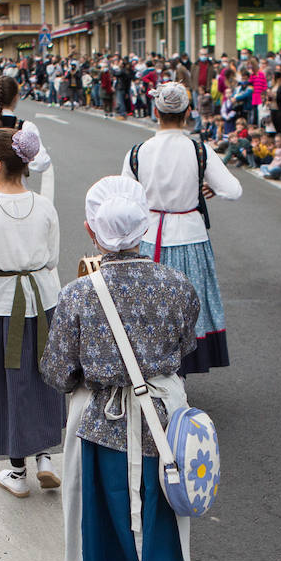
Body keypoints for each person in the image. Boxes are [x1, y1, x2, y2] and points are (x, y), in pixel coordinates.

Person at [40, 176, 200, 561]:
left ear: (91, 232)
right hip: (165, 428)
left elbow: (59, 371)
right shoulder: (178, 285)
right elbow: (185, 346)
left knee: (102, 525)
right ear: (146, 229)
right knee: (158, 535)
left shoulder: (79, 294)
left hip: (103, 427)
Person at [0, 128, 64, 496]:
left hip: (0, 304)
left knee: (8, 382)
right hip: (42, 299)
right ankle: (45, 457)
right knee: (42, 375)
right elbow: (52, 259)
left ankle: (18, 471)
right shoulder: (45, 206)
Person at [121, 82, 241, 374]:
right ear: (188, 113)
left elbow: (124, 196)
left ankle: (153, 372)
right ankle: (180, 375)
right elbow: (233, 189)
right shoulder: (199, 150)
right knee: (187, 306)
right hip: (190, 235)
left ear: (155, 111)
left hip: (149, 240)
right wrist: (206, 186)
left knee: (150, 308)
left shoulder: (138, 152)